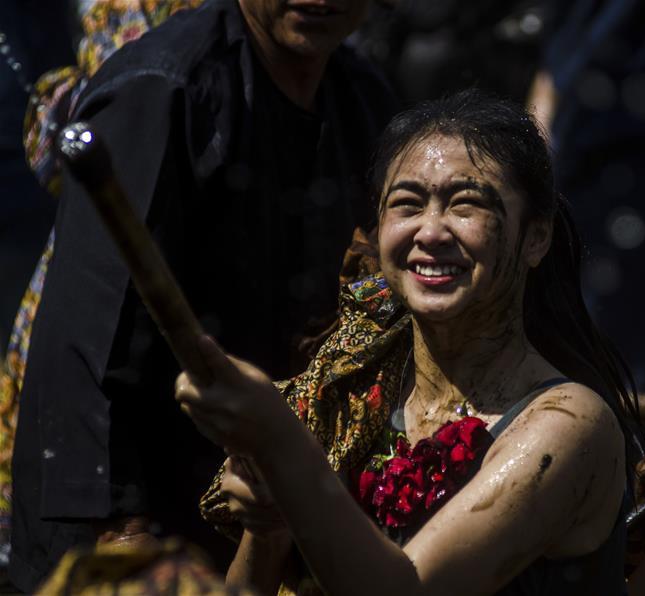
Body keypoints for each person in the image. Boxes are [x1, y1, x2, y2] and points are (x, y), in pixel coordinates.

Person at [177, 90, 644, 595]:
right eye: (407, 205)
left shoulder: (569, 425)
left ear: (536, 238)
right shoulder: (354, 392)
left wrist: (282, 445)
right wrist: (270, 528)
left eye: (465, 205)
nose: (431, 232)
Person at [9, 0, 396, 591]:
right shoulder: (164, 90)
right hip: (130, 514)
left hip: (259, 506)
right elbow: (89, 338)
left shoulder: (364, 99)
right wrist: (127, 541)